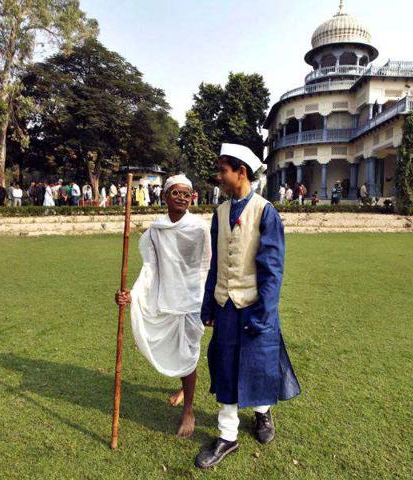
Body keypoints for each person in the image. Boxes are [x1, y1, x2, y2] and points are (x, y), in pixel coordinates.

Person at [195, 143, 301, 469]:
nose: (218, 177)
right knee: (226, 367)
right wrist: (209, 303)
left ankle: (262, 414)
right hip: (226, 305)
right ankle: (228, 436)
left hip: (255, 305)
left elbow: (272, 268)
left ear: (240, 172)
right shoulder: (220, 213)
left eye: (223, 170)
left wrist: (265, 313)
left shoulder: (266, 211)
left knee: (259, 365)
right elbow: (215, 264)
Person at [115, 174, 210, 438]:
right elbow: (150, 269)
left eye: (185, 193)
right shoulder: (155, 232)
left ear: (192, 197)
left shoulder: (200, 228)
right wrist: (131, 295)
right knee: (179, 353)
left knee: (188, 354)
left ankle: (189, 409)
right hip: (166, 298)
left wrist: (208, 299)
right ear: (164, 196)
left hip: (193, 300)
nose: (181, 197)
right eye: (175, 193)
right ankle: (185, 388)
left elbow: (207, 265)